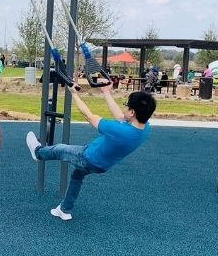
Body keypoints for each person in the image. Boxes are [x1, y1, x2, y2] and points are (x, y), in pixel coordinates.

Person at [25, 82, 156, 221]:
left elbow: (89, 115)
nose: (124, 107)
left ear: (132, 112)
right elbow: (120, 117)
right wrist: (106, 92)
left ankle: (38, 152)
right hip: (102, 165)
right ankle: (65, 209)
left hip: (87, 158)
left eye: (126, 105)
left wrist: (74, 94)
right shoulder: (145, 128)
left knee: (60, 149)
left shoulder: (122, 132)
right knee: (77, 177)